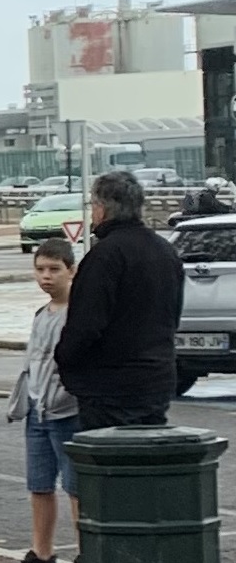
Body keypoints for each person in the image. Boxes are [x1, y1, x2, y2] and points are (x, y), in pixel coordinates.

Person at [54, 167, 185, 429]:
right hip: (157, 380)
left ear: (102, 209)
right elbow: (173, 315)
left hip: (109, 387)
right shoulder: (165, 251)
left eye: (92, 205)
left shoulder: (105, 256)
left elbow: (85, 324)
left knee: (108, 463)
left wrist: (63, 358)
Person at [5, 234, 79, 563]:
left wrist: (65, 395)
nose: (46, 276)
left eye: (54, 269)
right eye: (40, 269)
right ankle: (42, 553)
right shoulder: (41, 313)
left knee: (77, 488)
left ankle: (86, 557)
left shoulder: (77, 313)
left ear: (71, 271)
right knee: (39, 484)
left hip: (66, 411)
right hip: (37, 409)